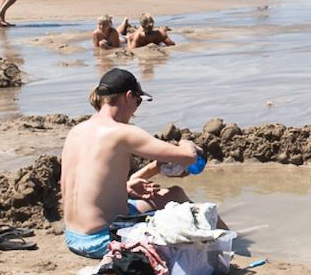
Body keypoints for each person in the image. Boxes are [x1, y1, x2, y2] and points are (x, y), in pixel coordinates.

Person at [61, 68, 226, 259]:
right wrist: (186, 143)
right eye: (138, 102)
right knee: (183, 214)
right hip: (105, 241)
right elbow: (189, 158)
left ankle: (225, 234)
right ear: (128, 96)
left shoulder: (76, 131)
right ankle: (228, 240)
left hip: (73, 237)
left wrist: (152, 169)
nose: (135, 109)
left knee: (174, 193)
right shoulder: (122, 132)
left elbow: (95, 183)